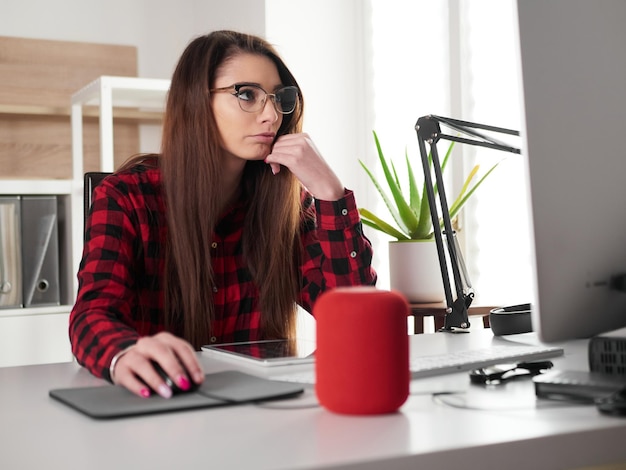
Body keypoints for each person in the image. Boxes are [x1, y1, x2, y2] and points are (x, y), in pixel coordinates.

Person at [69, 30, 377, 399]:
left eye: (279, 99)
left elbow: (356, 319)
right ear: (196, 101)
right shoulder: (126, 198)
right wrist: (123, 353)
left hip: (264, 413)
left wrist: (331, 193)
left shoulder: (288, 207)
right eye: (246, 95)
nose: (271, 115)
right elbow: (92, 315)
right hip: (159, 411)